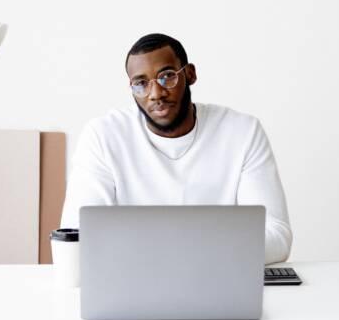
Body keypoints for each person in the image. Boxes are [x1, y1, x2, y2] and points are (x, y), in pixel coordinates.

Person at [60, 33, 293, 264]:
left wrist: (165, 253)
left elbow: (277, 236)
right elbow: (75, 239)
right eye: (141, 84)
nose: (156, 94)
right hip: (139, 282)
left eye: (167, 76)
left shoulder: (242, 131)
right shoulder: (103, 136)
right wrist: (206, 249)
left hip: (214, 281)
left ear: (190, 74)